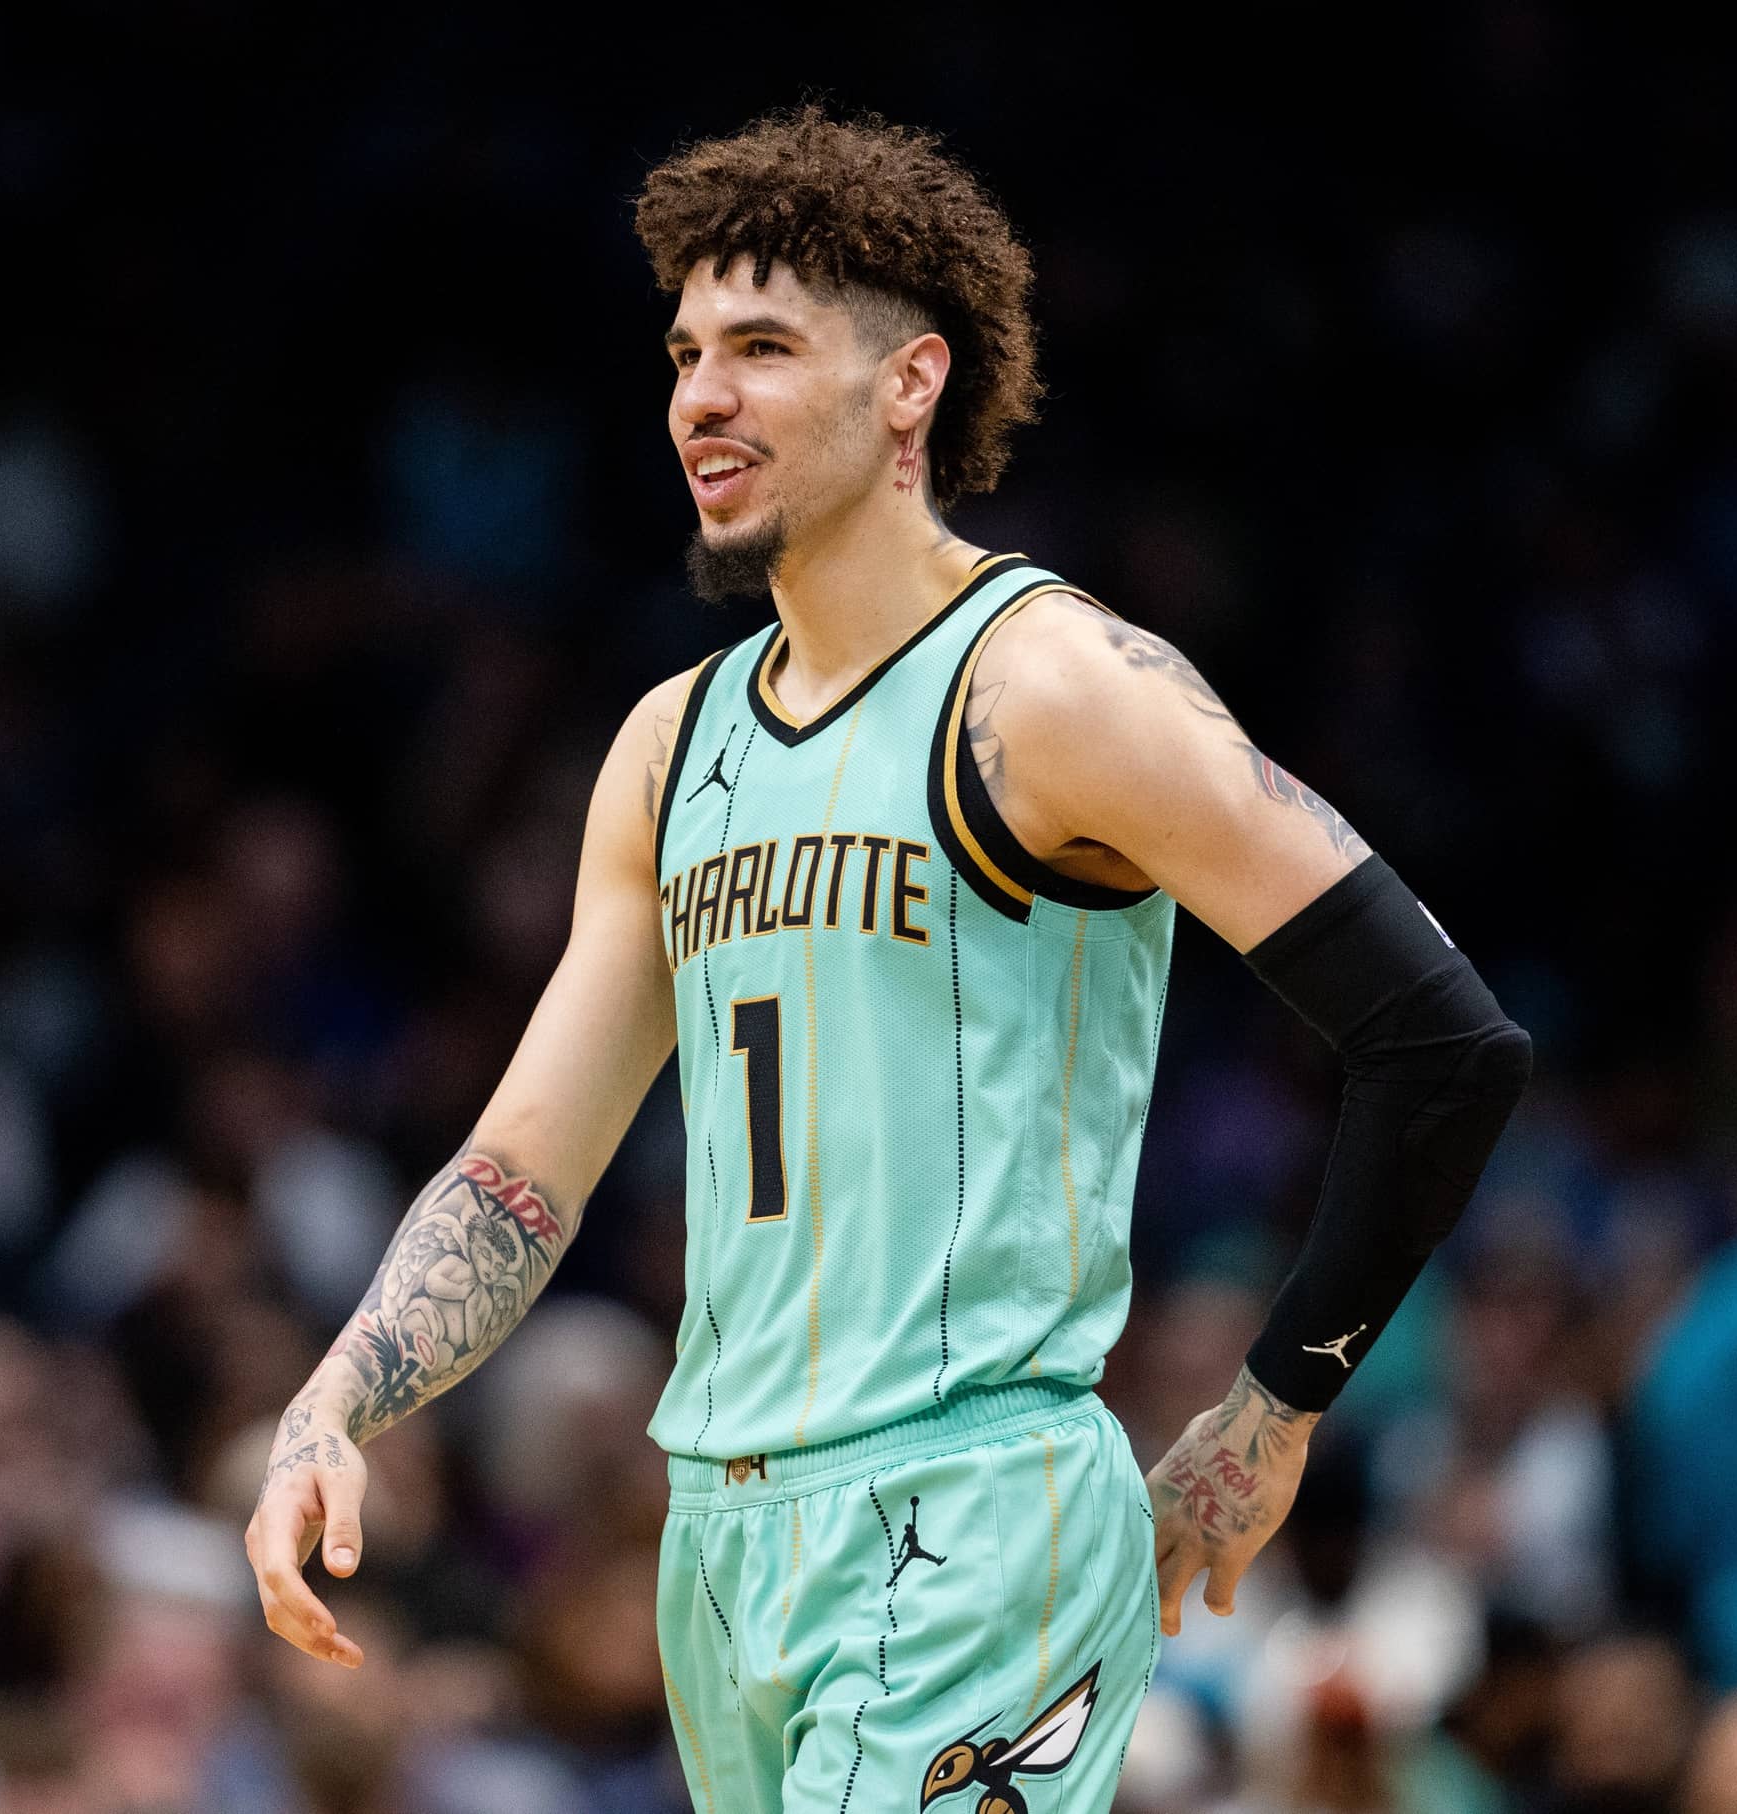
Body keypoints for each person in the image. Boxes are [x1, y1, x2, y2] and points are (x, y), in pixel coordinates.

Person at [245, 103, 1532, 1814]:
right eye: (686, 352)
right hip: (719, 1539)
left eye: (762, 348)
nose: (701, 396)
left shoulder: (1054, 687)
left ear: (909, 384)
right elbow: (517, 1172)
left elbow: (1443, 1040)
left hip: (974, 1504)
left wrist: (1273, 1405)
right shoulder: (664, 747)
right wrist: (336, 1395)